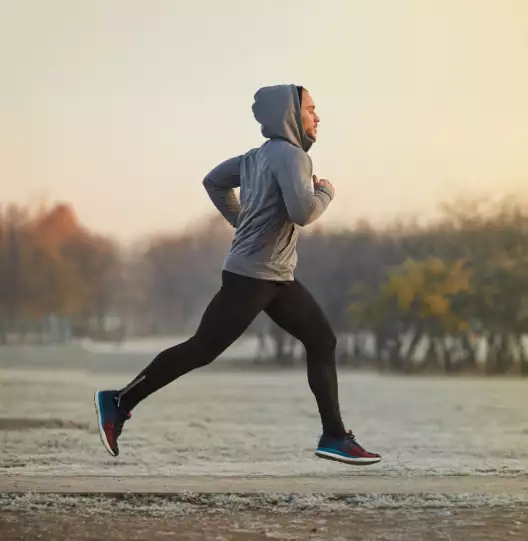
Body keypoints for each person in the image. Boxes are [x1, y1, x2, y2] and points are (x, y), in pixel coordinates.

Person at [93, 84, 381, 466]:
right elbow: (303, 212)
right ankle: (118, 401)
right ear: (291, 113)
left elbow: (213, 180)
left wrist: (240, 220)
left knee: (322, 340)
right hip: (253, 276)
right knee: (202, 349)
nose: (317, 116)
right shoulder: (293, 158)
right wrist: (325, 192)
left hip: (275, 276)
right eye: (311, 109)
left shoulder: (256, 157)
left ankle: (333, 436)